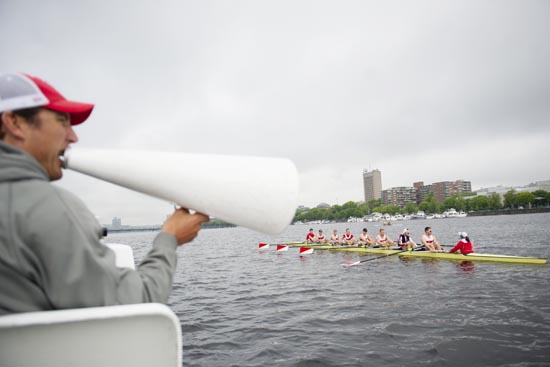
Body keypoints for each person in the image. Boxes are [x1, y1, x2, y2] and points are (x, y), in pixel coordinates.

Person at [0, 72, 209, 315]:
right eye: (62, 121)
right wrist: (169, 238)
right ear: (15, 123)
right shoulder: (47, 207)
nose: (73, 136)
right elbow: (137, 305)